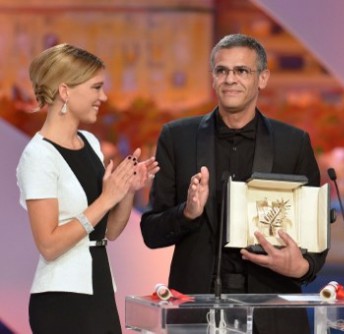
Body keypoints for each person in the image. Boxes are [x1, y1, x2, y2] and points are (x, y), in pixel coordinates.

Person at [140, 33, 327, 333]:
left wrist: (303, 268)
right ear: (213, 78)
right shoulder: (178, 138)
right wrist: (187, 213)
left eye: (242, 71)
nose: (230, 79)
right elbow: (151, 232)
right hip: (197, 311)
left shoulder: (293, 143)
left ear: (262, 78)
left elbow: (316, 237)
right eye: (222, 70)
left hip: (272, 313)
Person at [16, 44, 159, 333]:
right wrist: (106, 199)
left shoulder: (90, 143)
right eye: (96, 88)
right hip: (61, 301)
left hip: (100, 290)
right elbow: (49, 244)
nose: (103, 97)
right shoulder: (38, 156)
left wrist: (127, 189)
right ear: (65, 91)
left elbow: (108, 233)